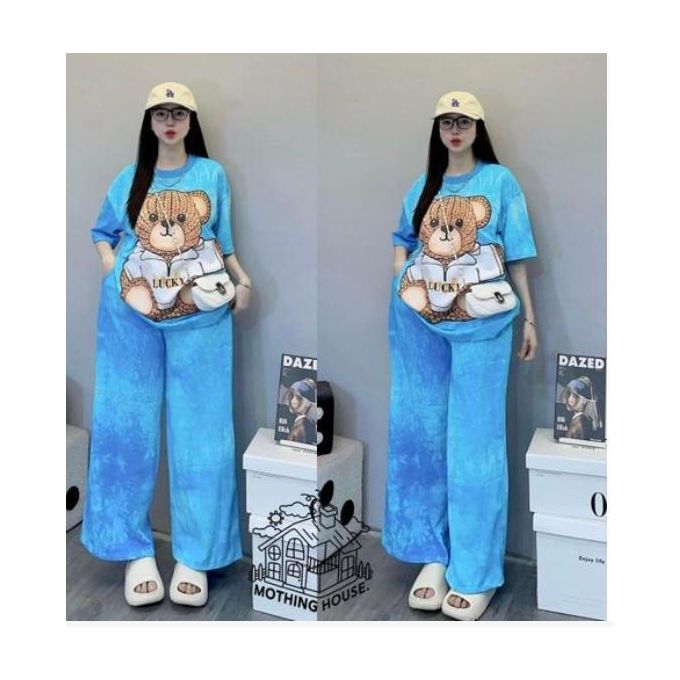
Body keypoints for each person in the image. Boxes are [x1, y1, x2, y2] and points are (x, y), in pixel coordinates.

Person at [80, 82, 252, 608]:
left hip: (201, 312)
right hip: (130, 314)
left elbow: (221, 241)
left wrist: (242, 279)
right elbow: (102, 231)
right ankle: (133, 550)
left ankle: (197, 555)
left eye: (178, 113)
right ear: (150, 122)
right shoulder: (130, 177)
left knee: (203, 430)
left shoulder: (211, 175)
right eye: (161, 114)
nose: (170, 122)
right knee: (124, 425)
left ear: (190, 120)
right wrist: (110, 268)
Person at [382, 91, 538, 621]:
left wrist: (530, 318)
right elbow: (402, 237)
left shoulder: (500, 182)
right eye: (446, 122)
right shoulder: (422, 186)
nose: (455, 129)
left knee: (475, 443)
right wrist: (400, 276)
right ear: (437, 129)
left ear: (477, 128)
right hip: (419, 322)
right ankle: (435, 554)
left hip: (485, 323)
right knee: (422, 434)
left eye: (463, 122)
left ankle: (475, 570)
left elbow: (517, 253)